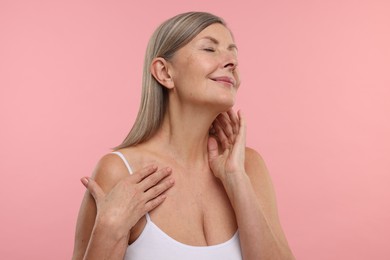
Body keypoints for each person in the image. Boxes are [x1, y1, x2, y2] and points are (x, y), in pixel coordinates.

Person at [72, 11, 295, 260]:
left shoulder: (248, 167)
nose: (231, 61)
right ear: (165, 73)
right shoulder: (119, 172)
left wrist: (237, 180)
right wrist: (108, 229)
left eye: (234, 53)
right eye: (210, 49)